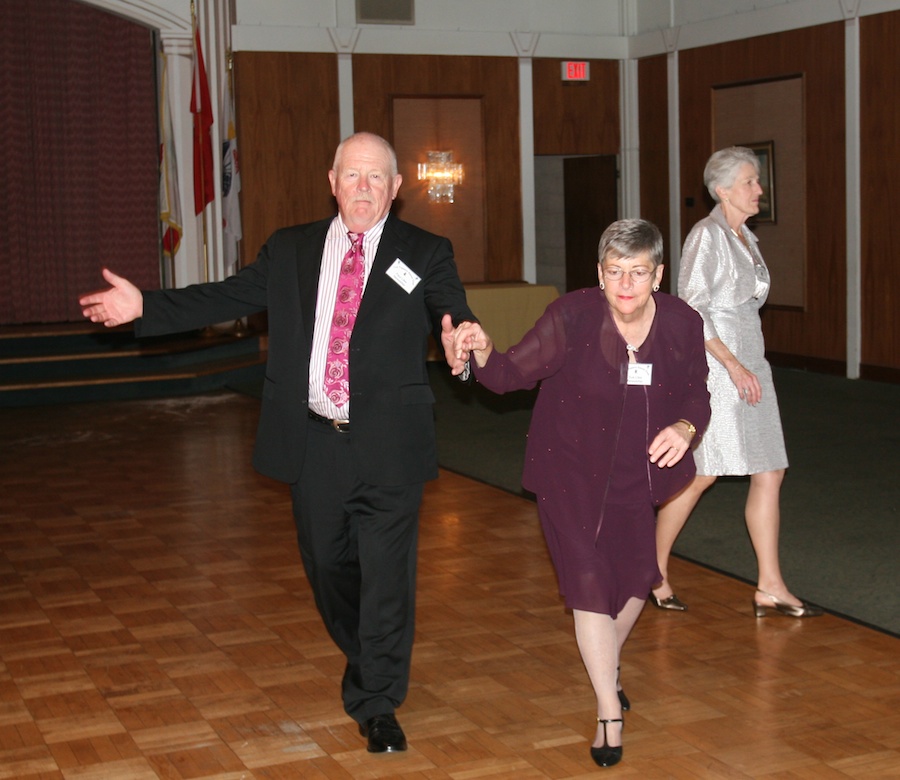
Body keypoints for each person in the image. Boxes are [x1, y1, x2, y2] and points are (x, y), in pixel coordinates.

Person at [79, 132, 477, 753]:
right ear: (332, 180)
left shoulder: (424, 251)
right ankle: (368, 654)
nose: (364, 188)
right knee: (327, 567)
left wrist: (462, 336)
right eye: (353, 175)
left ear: (397, 189)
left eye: (377, 178)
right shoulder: (291, 249)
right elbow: (224, 296)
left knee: (387, 578)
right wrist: (145, 308)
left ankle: (377, 702)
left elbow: (452, 309)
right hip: (314, 443)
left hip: (391, 444)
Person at [452, 219, 710, 768]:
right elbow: (506, 375)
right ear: (599, 273)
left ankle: (604, 669)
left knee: (639, 577)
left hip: (637, 475)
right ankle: (607, 711)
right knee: (589, 584)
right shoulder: (573, 316)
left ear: (658, 275)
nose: (625, 284)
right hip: (569, 471)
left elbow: (696, 393)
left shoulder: (684, 323)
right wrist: (482, 348)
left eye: (638, 273)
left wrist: (686, 428)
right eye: (614, 272)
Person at [651, 146, 823, 619]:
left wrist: (748, 363)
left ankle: (769, 585)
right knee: (700, 474)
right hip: (719, 367)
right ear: (723, 189)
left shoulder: (744, 235)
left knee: (770, 470)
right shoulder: (706, 235)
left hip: (752, 362)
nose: (759, 189)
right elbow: (692, 307)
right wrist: (731, 364)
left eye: (756, 181)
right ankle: (652, 568)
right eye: (750, 181)